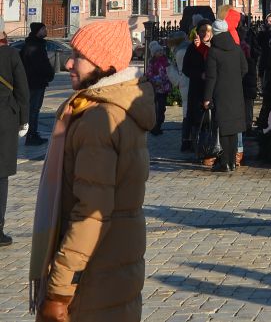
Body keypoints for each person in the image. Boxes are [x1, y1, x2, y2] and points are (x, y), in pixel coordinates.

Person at [29, 19, 155, 321]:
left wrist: (59, 291)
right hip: (113, 272)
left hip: (94, 280)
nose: (69, 62)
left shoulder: (99, 118)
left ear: (104, 64)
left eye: (79, 56)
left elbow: (90, 216)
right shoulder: (112, 108)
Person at [203, 19, 247, 172]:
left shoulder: (214, 52)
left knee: (223, 127)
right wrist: (234, 79)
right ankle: (232, 163)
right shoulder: (236, 48)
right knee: (234, 128)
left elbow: (211, 77)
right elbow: (245, 68)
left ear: (215, 33)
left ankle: (225, 163)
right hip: (236, 92)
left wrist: (207, 98)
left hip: (220, 94)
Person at [0, 17, 30, 246]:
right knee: (0, 176)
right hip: (5, 120)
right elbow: (22, 88)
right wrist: (24, 120)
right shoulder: (10, 54)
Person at [20, 23, 55, 146]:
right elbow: (39, 65)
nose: (46, 30)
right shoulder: (33, 46)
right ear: (37, 31)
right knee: (33, 110)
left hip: (37, 82)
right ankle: (31, 135)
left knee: (34, 109)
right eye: (43, 29)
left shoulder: (35, 44)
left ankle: (33, 133)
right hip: (34, 83)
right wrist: (49, 74)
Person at [182, 21, 213, 155]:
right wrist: (199, 75)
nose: (206, 33)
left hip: (211, 88)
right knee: (196, 119)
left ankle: (208, 147)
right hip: (196, 88)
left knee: (209, 120)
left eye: (209, 31)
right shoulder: (191, 48)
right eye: (202, 31)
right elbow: (186, 69)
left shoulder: (215, 47)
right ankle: (196, 146)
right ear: (197, 32)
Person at [145, 41, 171, 136]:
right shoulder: (152, 62)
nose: (160, 53)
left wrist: (164, 80)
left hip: (164, 88)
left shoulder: (166, 61)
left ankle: (158, 125)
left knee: (161, 108)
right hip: (155, 88)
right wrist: (154, 80)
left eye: (161, 51)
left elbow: (169, 73)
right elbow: (149, 73)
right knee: (155, 108)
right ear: (154, 53)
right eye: (158, 51)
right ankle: (154, 127)